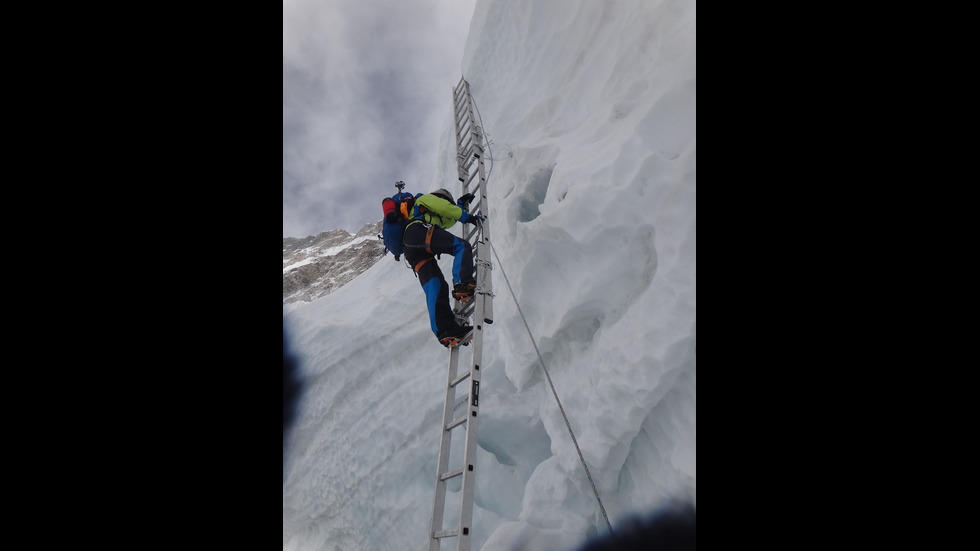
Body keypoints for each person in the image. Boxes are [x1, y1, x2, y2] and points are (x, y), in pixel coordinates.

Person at [402, 188, 485, 347]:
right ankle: (462, 284)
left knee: (436, 286)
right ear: (441, 197)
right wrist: (469, 218)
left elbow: (449, 218)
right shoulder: (425, 199)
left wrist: (460, 205)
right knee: (461, 246)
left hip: (412, 250)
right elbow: (446, 209)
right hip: (418, 232)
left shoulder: (429, 214)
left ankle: (445, 331)